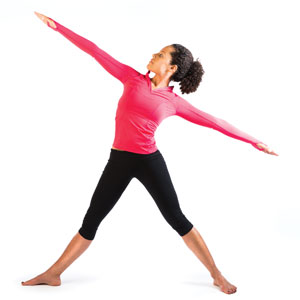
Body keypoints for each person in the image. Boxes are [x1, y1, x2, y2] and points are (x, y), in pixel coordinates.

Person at [21, 12, 278, 294]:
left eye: (160, 54)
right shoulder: (132, 78)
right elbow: (95, 50)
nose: (153, 55)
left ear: (171, 67)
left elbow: (216, 122)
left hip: (149, 162)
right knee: (91, 220)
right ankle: (53, 274)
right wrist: (58, 27)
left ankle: (216, 273)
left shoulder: (174, 102)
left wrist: (254, 141)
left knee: (177, 218)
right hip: (118, 160)